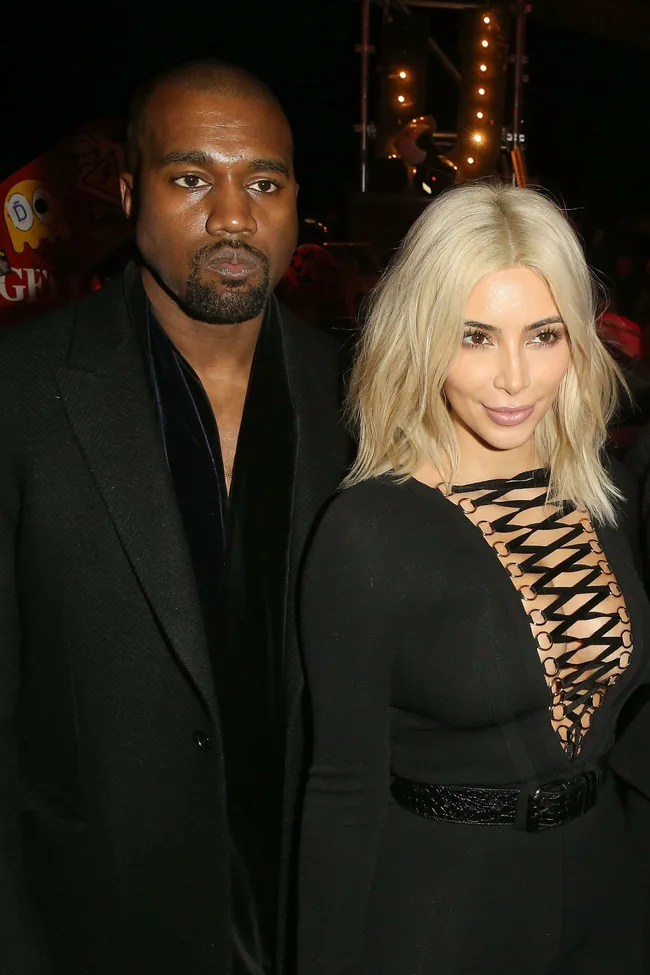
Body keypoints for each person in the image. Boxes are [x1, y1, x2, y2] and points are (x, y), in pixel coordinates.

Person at [0, 59, 349, 975]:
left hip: (315, 915)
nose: (233, 215)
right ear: (126, 190)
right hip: (96, 923)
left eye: (263, 182)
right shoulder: (22, 396)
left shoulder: (362, 398)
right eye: (192, 177)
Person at [296, 182, 650, 974]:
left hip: (609, 893)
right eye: (477, 337)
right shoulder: (368, 533)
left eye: (544, 334)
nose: (516, 378)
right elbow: (341, 793)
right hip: (443, 912)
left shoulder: (603, 496)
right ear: (421, 338)